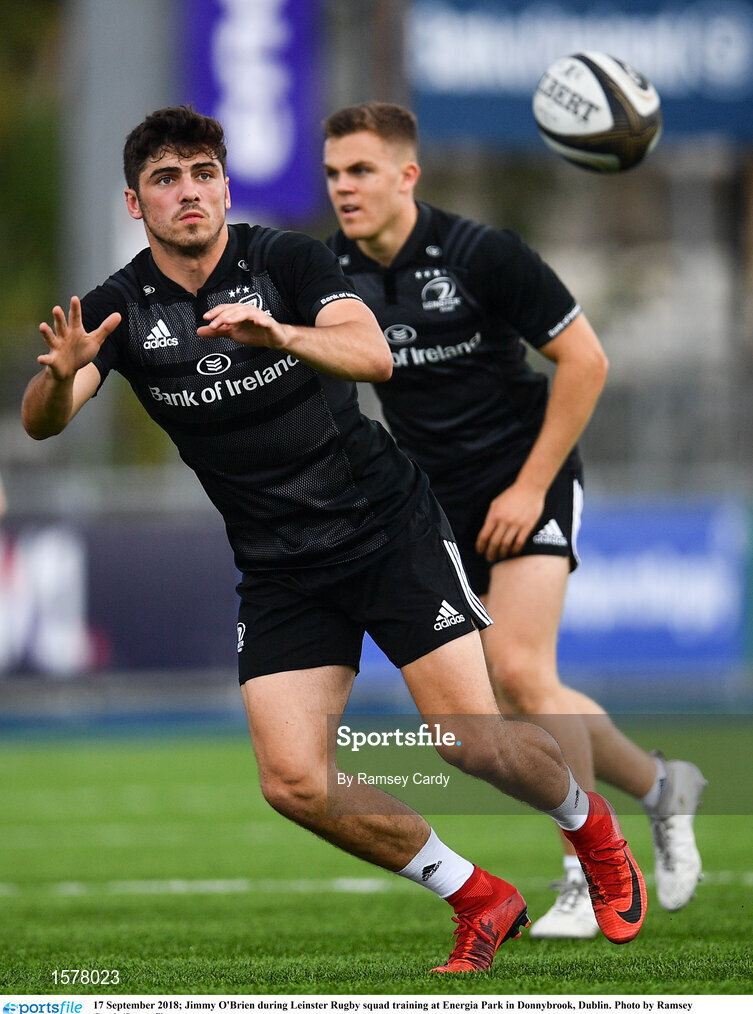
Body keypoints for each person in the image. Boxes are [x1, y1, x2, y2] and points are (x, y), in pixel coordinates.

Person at [22, 105, 646, 973]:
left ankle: (593, 832)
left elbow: (373, 355)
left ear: (225, 186)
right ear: (136, 203)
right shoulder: (119, 307)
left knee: (468, 741)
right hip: (279, 567)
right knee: (293, 783)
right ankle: (477, 895)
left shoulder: (285, 260)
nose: (188, 193)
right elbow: (44, 422)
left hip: (386, 530)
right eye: (166, 180)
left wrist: (281, 333)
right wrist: (58, 378)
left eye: (203, 173)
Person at [322, 101, 707, 939]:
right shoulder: (325, 270)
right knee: (497, 699)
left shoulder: (478, 253)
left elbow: (586, 360)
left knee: (522, 672)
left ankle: (584, 870)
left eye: (360, 170)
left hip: (524, 472)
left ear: (406, 175)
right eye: (332, 173)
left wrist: (529, 488)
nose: (343, 188)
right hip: (433, 497)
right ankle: (659, 785)